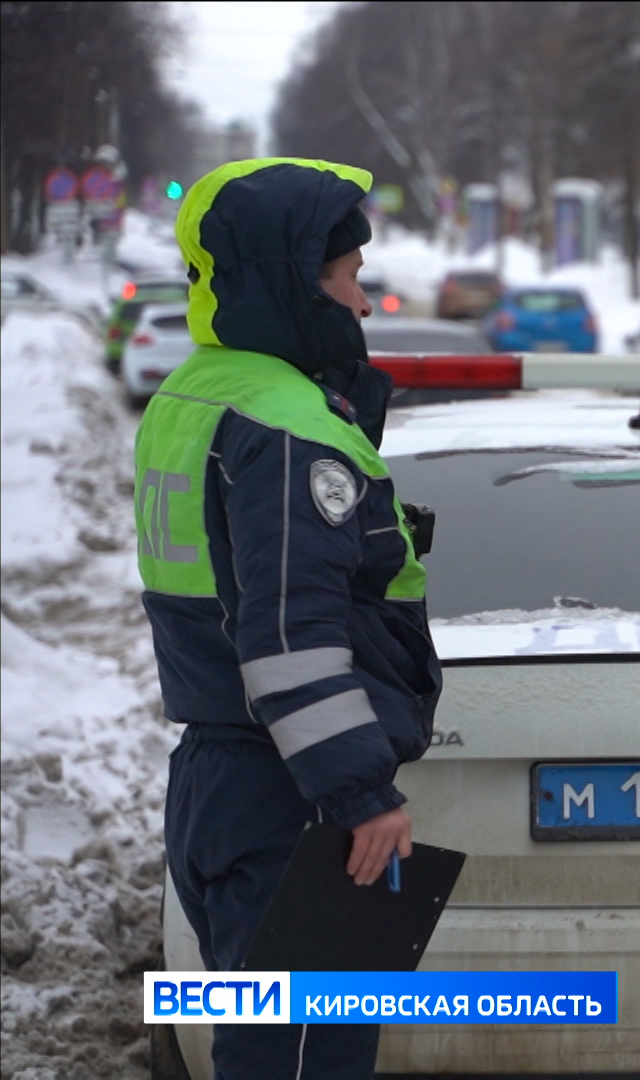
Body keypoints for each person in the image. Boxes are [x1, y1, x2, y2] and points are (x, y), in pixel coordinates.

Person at [135, 158, 440, 1078]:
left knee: (269, 1051)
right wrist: (360, 795)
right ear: (293, 282)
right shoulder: (286, 425)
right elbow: (287, 637)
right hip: (292, 802)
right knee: (307, 1059)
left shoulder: (195, 393)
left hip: (220, 775)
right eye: (349, 277)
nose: (364, 303)